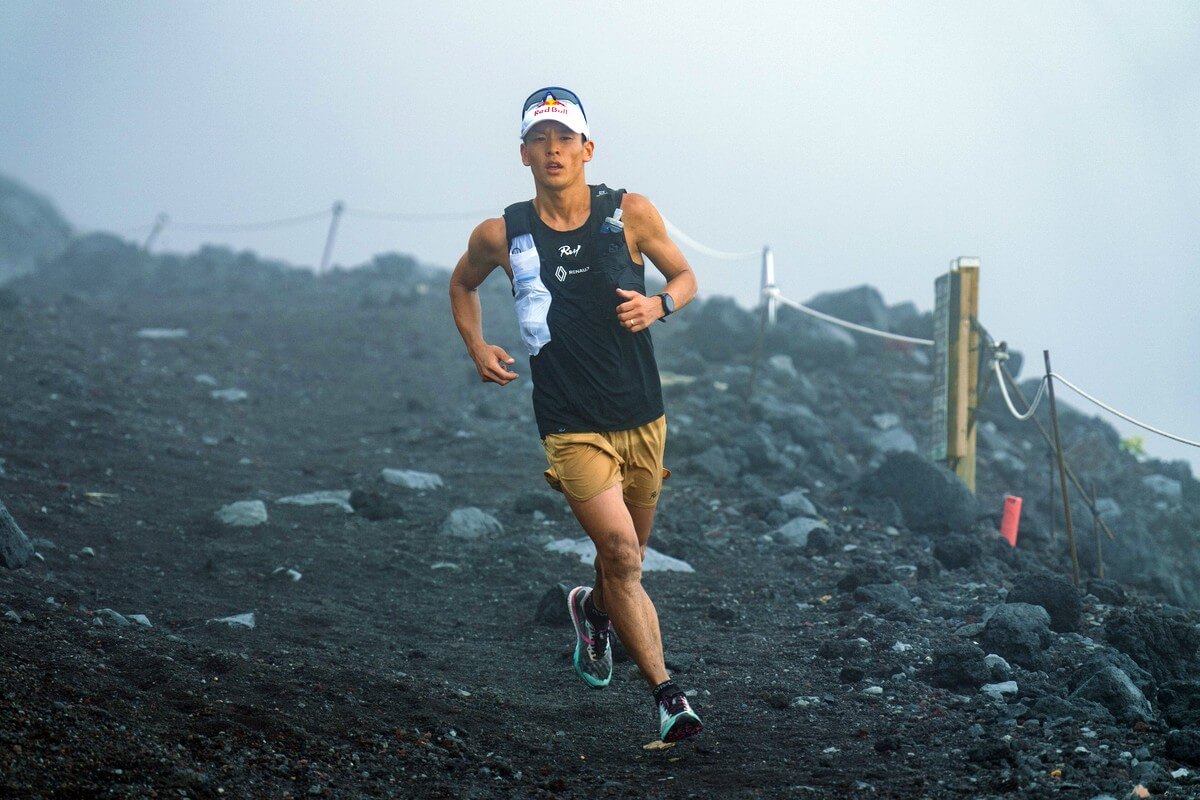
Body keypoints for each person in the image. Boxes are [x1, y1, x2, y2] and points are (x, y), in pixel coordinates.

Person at [448, 87, 702, 743]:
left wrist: (659, 307)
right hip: (568, 421)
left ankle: (590, 609)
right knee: (620, 552)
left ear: (588, 149)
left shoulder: (630, 213)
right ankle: (669, 698)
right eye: (541, 139)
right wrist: (477, 344)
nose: (554, 150)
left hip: (643, 413)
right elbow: (462, 284)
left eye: (566, 139)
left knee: (626, 564)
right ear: (524, 154)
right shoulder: (502, 232)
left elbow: (683, 278)